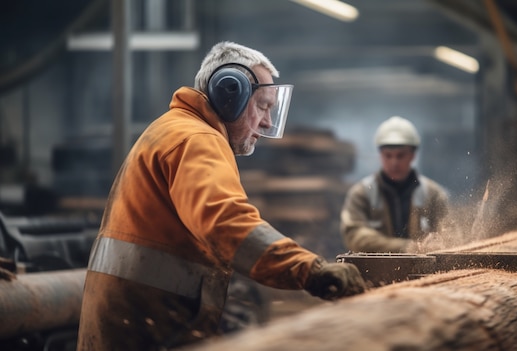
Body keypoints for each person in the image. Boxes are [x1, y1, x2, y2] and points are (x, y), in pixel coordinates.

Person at [76, 41, 366, 351]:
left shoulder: (172, 130)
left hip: (133, 326)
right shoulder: (197, 139)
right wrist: (310, 270)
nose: (267, 122)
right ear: (231, 94)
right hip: (146, 333)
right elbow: (225, 222)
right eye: (263, 106)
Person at [340, 116, 451, 253]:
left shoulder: (433, 194)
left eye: (400, 155)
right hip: (373, 272)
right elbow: (354, 236)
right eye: (388, 155)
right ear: (380, 155)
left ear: (412, 155)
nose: (394, 162)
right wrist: (406, 247)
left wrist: (438, 244)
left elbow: (450, 236)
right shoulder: (361, 194)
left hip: (425, 273)